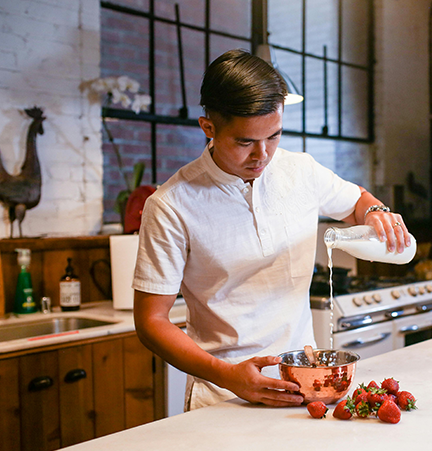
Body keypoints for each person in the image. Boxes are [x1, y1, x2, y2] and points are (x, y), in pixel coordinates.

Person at [132, 49, 411, 410]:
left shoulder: (301, 171)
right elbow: (151, 321)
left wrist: (375, 211)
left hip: (305, 389)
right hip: (223, 396)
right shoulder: (170, 205)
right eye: (245, 142)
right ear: (209, 128)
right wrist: (227, 374)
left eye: (274, 136)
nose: (262, 155)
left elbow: (356, 200)